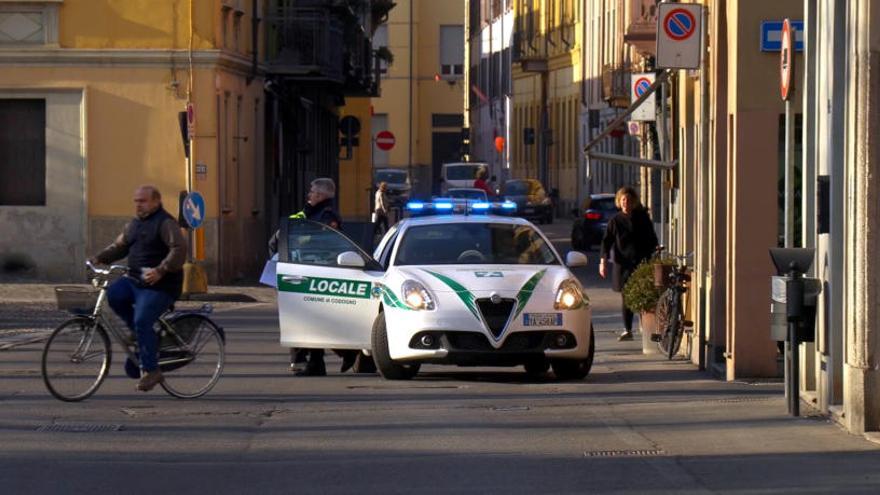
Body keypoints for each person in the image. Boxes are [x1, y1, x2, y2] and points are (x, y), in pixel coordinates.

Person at [90, 185, 187, 392]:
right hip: (135, 280)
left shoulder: (165, 223)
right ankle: (139, 334)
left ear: (156, 201)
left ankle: (151, 371)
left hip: (161, 286)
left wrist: (161, 270)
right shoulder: (134, 225)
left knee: (142, 319)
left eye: (142, 201)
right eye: (136, 201)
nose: (138, 205)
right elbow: (120, 246)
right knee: (114, 295)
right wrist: (100, 257)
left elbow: (179, 249)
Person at [268, 178, 354, 377]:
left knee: (316, 318)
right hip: (303, 269)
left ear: (322, 195)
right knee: (308, 318)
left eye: (313, 192)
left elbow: (318, 240)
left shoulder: (327, 215)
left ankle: (343, 354)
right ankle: (318, 361)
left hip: (321, 271)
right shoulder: (308, 212)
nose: (309, 195)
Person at [599, 186, 658, 341]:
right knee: (627, 296)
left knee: (644, 294)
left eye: (629, 200)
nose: (626, 203)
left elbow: (652, 237)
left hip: (641, 262)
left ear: (634, 202)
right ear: (619, 202)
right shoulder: (616, 221)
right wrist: (603, 261)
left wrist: (654, 252)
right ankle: (627, 329)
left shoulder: (642, 218)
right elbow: (607, 242)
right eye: (623, 200)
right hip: (623, 264)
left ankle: (648, 328)